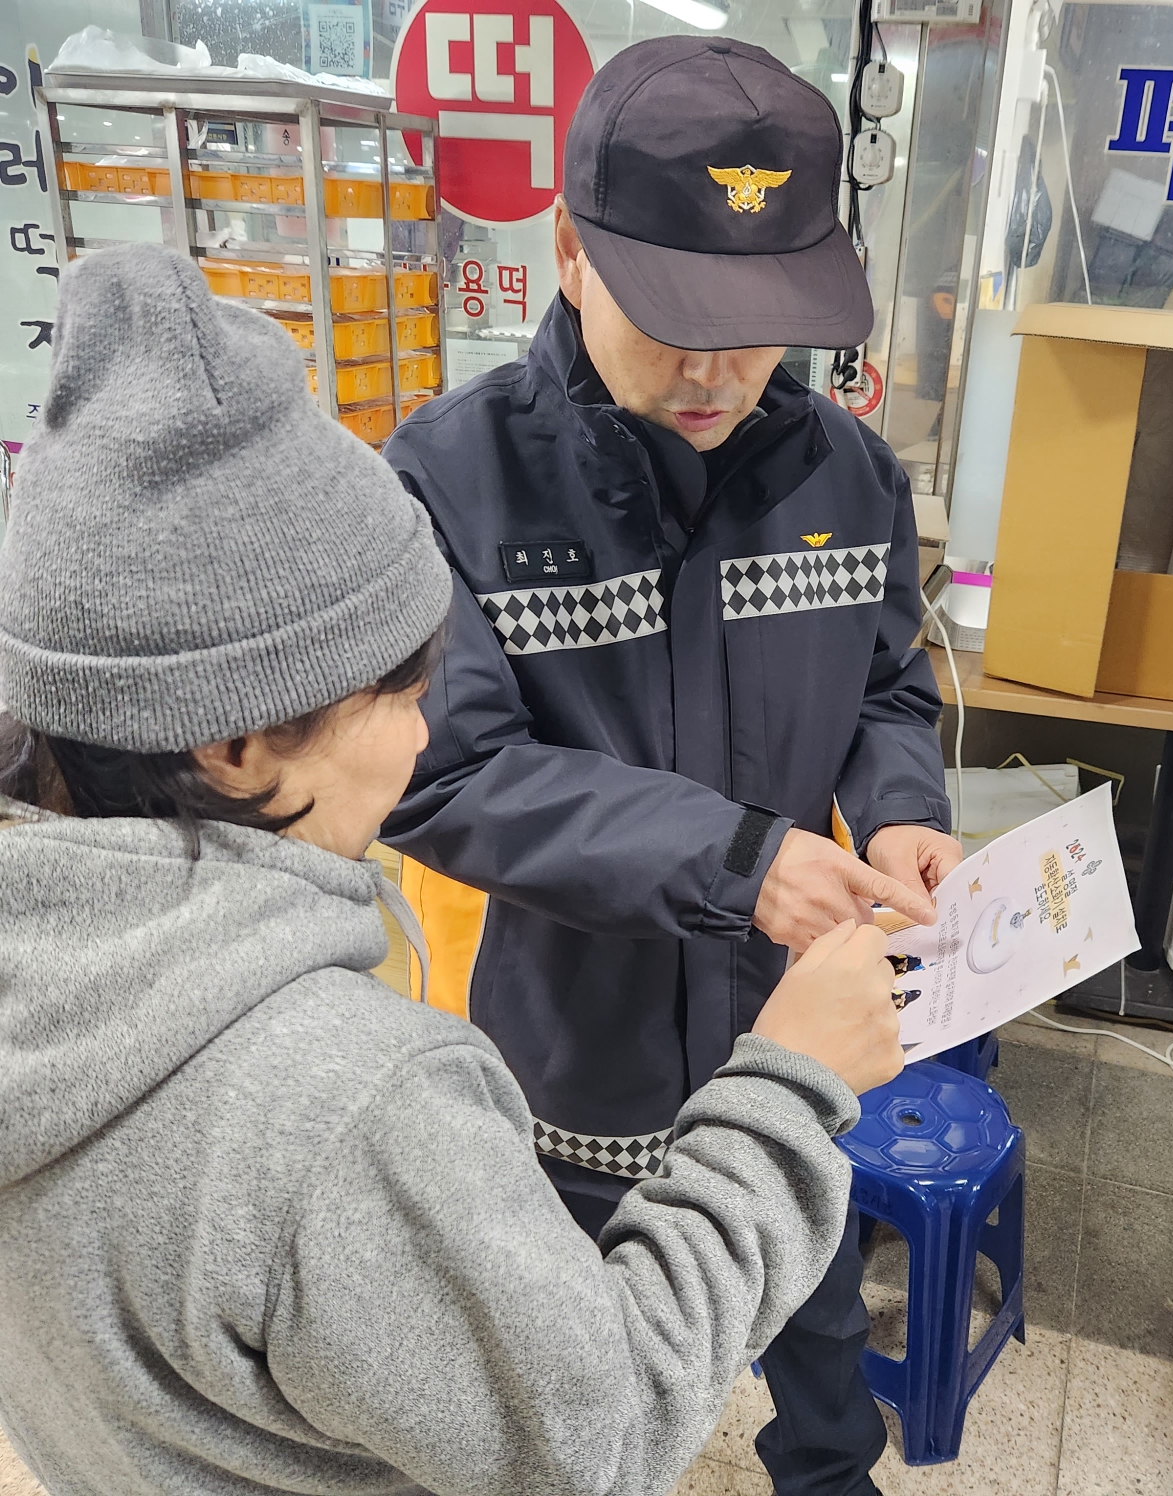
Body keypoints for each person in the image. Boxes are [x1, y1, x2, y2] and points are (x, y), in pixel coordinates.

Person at [0, 242, 908, 1496]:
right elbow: (597, 1428)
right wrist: (791, 1091)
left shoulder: (50, 980)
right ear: (232, 742)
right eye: (401, 689)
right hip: (599, 1057)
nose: (426, 733)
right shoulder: (357, 1107)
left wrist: (897, 804)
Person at [381, 35, 962, 1495]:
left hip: (788, 1029)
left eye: (755, 324)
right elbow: (447, 776)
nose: (713, 370)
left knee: (816, 1330)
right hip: (572, 1053)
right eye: (673, 315)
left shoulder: (849, 477)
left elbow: (886, 689)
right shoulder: (447, 480)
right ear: (570, 253)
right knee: (567, 1400)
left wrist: (901, 810)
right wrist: (735, 860)